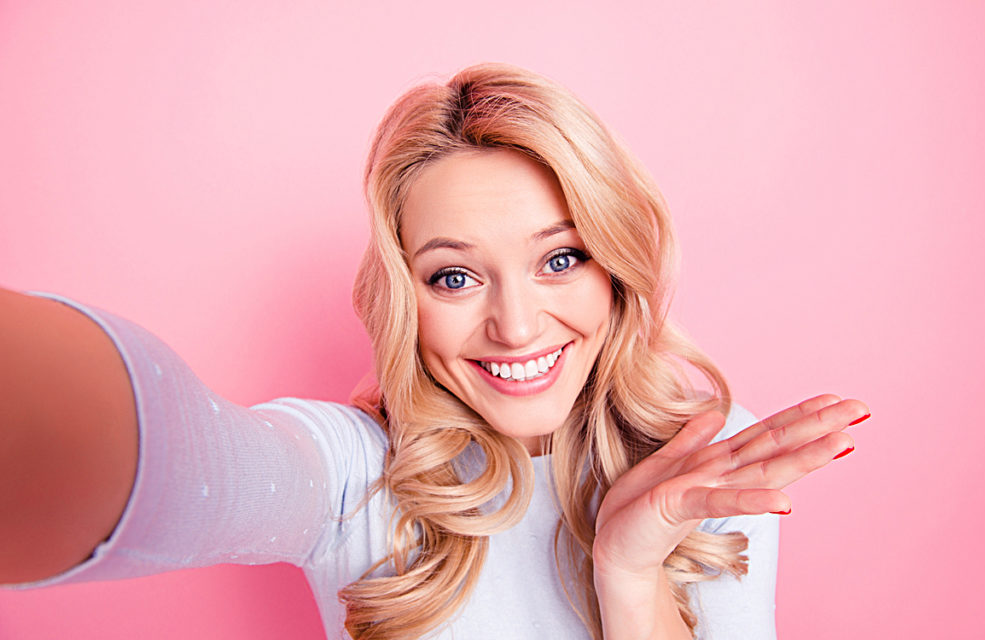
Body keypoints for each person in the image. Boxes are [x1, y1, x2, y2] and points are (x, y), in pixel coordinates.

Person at [0, 63, 867, 639]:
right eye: (455, 278)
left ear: (615, 270)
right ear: (403, 296)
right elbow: (196, 464)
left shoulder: (709, 466)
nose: (518, 327)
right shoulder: (355, 472)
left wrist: (628, 571)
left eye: (560, 259)